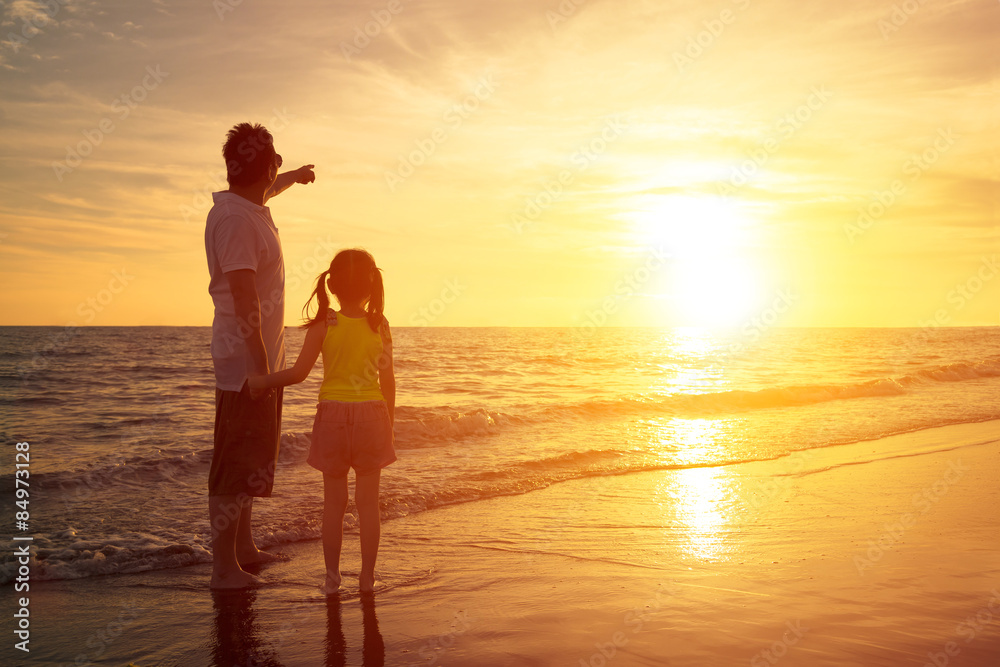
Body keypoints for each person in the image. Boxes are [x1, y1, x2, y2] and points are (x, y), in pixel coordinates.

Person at [204, 122, 315, 589]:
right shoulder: (236, 220)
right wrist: (260, 368)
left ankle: (244, 549)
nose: (281, 166)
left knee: (249, 460)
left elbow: (270, 187)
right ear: (264, 165)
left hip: (259, 363)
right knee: (233, 468)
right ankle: (223, 569)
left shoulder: (249, 206)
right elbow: (245, 296)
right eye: (278, 161)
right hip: (247, 366)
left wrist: (297, 177)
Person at [249, 249, 396, 594]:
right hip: (372, 415)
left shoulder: (323, 323)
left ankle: (332, 579)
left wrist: (260, 382)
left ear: (331, 284)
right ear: (372, 285)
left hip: (332, 416)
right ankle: (366, 579)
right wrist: (389, 424)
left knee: (334, 504)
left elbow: (299, 373)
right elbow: (388, 382)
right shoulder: (380, 324)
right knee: (368, 505)